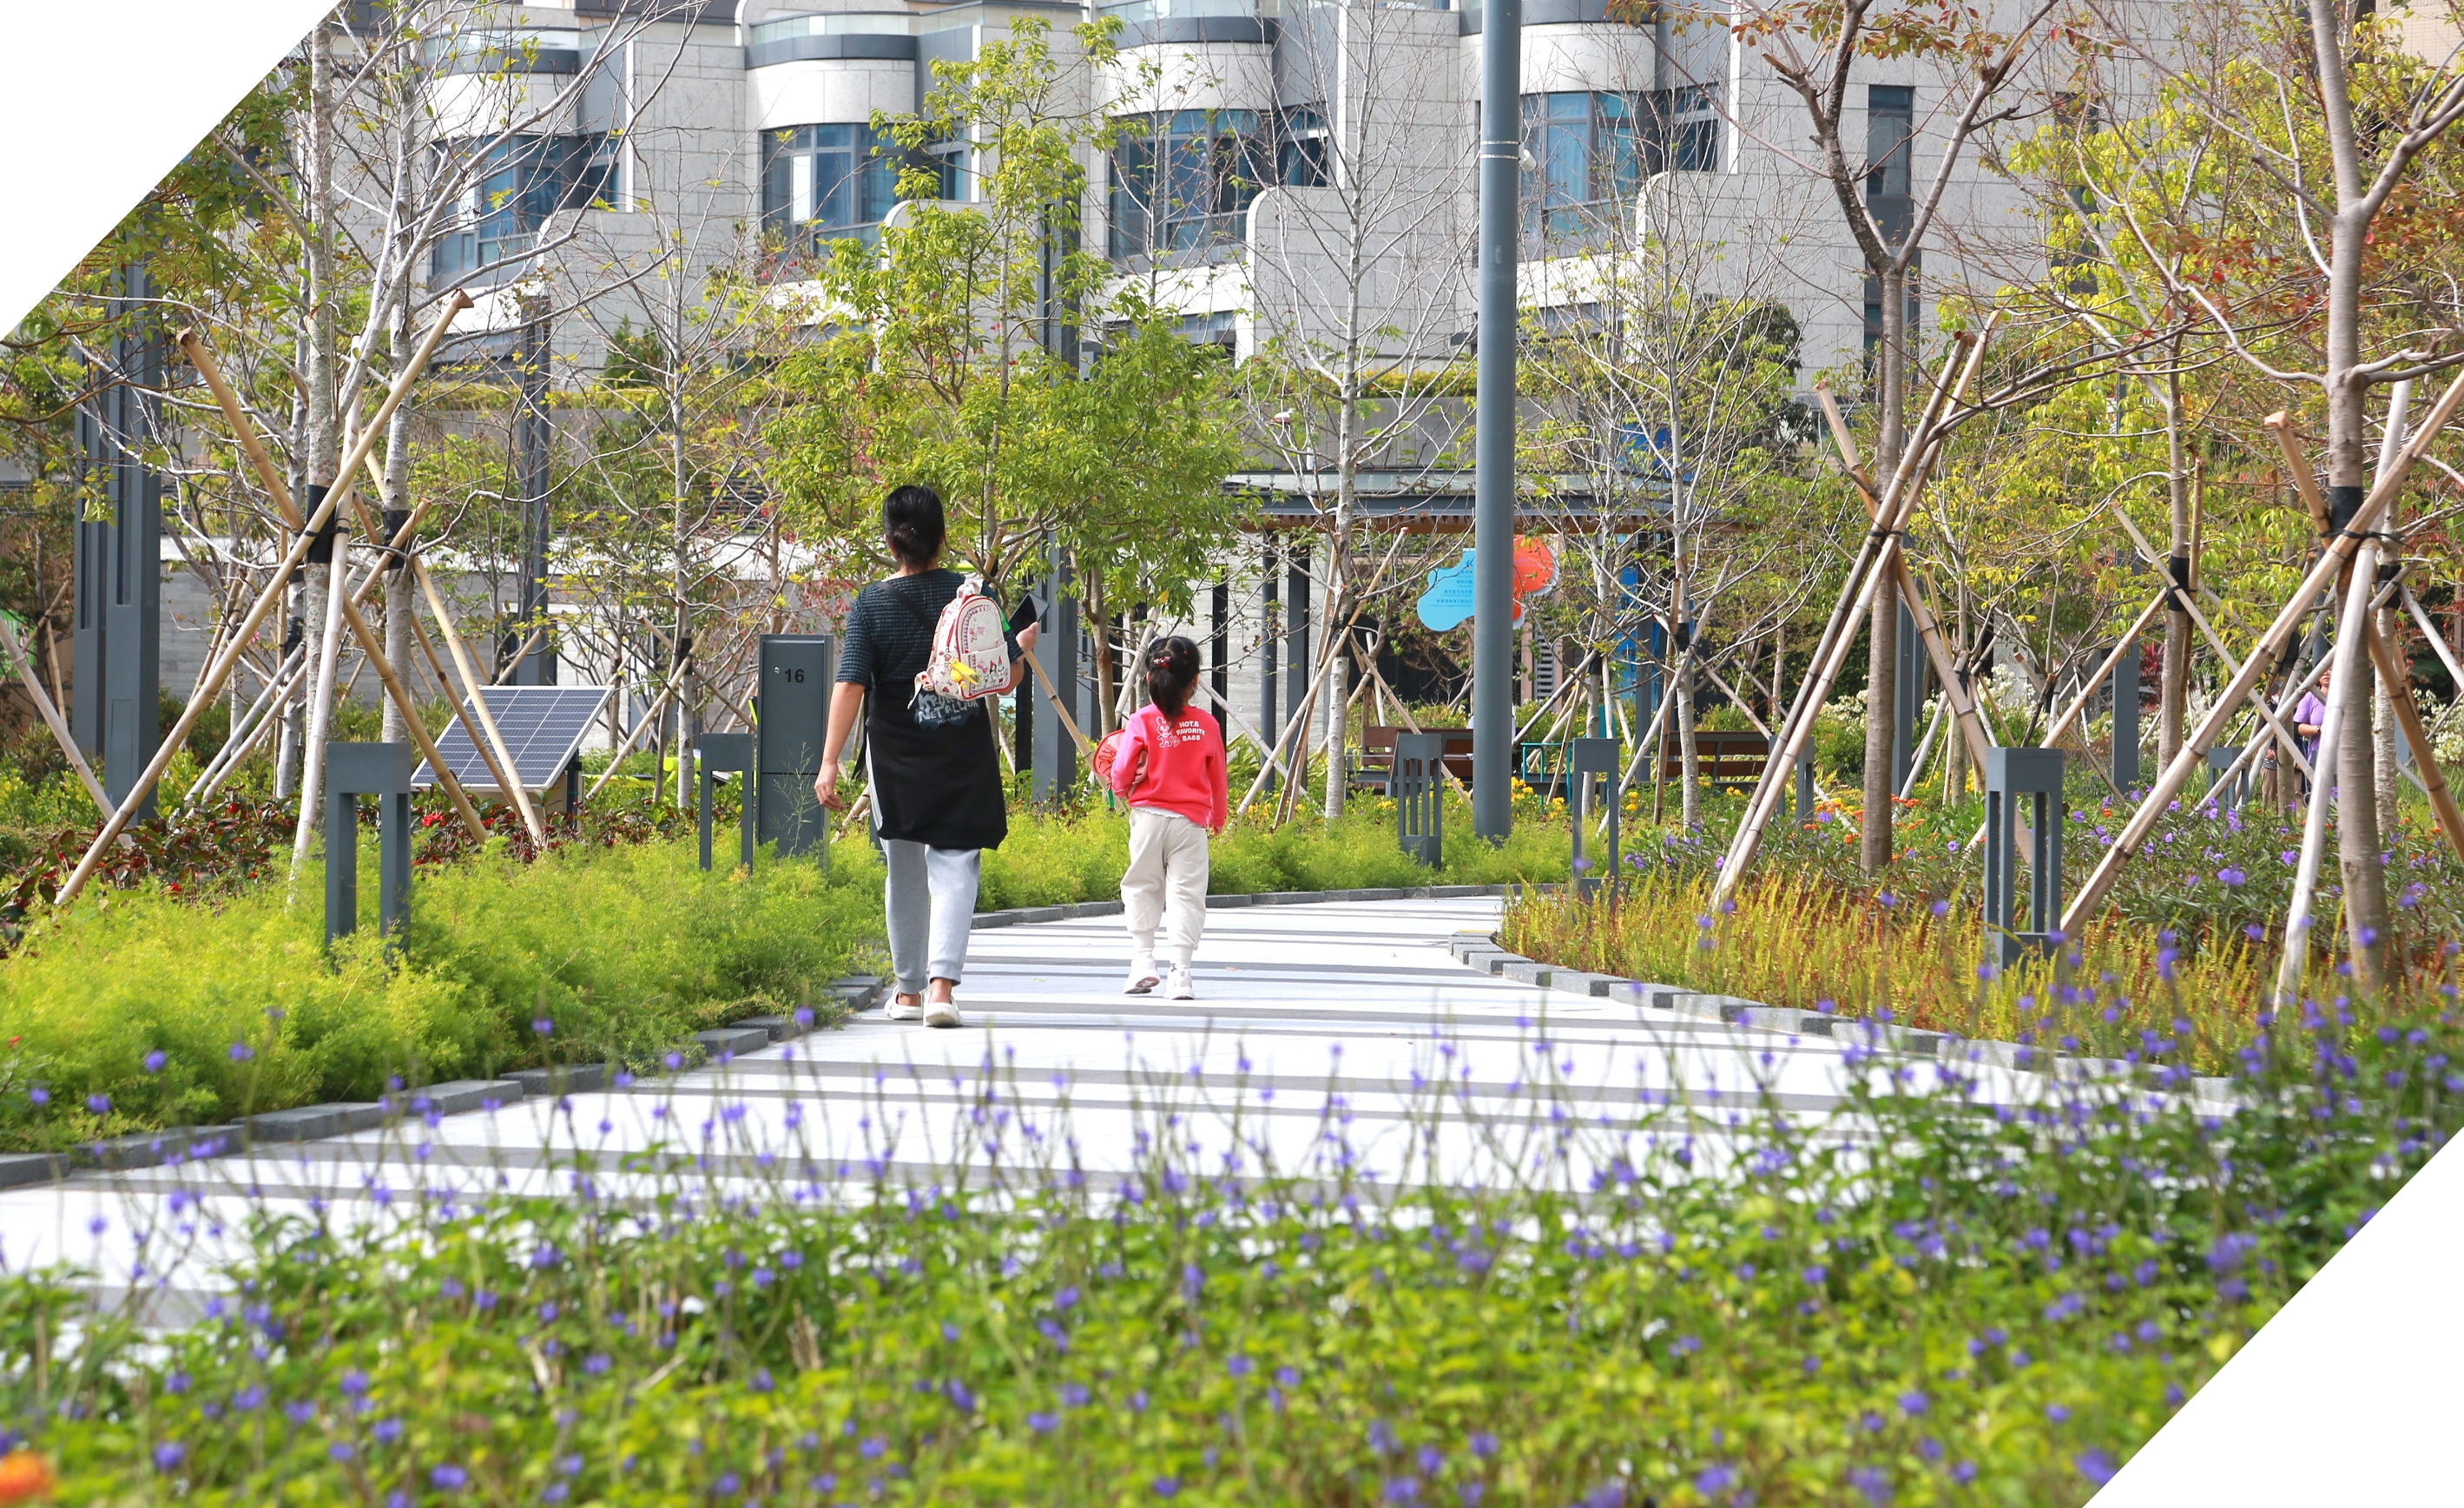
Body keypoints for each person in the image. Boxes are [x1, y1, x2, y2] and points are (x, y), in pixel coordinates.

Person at [815, 485, 1038, 1028]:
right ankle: (942, 989)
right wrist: (1023, 648)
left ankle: (908, 993)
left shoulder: (871, 603)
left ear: (891, 542)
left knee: (904, 867)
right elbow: (1005, 681)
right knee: (957, 861)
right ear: (942, 537)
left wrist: (830, 762)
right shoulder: (975, 593)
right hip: (960, 744)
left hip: (895, 746)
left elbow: (850, 685)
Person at [1109, 636, 1227, 1001]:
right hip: (1190, 824)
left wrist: (1119, 788)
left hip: (1147, 818)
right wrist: (1217, 817)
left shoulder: (1142, 721)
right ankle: (1181, 974)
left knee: (1143, 885)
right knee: (1186, 894)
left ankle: (1143, 961)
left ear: (1148, 679)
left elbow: (1122, 770)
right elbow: (1218, 776)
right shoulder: (1207, 724)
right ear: (1195, 681)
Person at [2292, 667, 2330, 800]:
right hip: (2317, 755)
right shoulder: (2310, 697)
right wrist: (2319, 729)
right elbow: (2299, 727)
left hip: (2343, 754)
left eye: (2331, 669)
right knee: (2319, 798)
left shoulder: (2347, 695)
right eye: (2323, 670)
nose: (2326, 672)